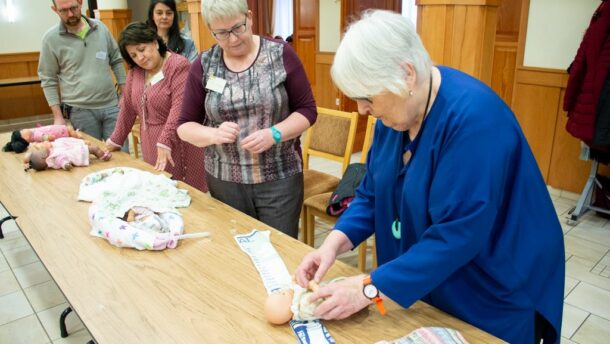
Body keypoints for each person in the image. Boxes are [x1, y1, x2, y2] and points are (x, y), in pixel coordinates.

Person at [294, 10, 565, 344]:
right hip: (438, 276)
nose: (363, 110)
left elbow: (458, 235)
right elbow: (372, 193)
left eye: (367, 98)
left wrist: (368, 288)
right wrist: (334, 243)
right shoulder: (395, 117)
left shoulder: (476, 123)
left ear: (406, 75)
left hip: (494, 284)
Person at [177, 0, 317, 238]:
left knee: (280, 249)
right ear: (211, 31)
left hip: (279, 179)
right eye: (221, 33)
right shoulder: (204, 65)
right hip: (224, 181)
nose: (232, 39)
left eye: (237, 28)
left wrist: (275, 134)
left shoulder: (281, 55)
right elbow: (184, 126)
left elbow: (307, 111)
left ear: (249, 17)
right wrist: (212, 134)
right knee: (236, 252)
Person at [105, 22, 207, 192]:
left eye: (142, 49)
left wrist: (165, 140)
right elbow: (128, 108)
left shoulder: (178, 65)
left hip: (179, 144)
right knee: (158, 193)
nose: (140, 58)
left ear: (155, 42)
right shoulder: (135, 72)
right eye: (133, 55)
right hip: (151, 145)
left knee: (185, 195)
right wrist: (115, 139)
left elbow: (179, 108)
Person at [39, 0, 127, 151]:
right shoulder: (50, 39)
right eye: (64, 11)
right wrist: (58, 116)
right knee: (91, 156)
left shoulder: (101, 28)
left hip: (112, 105)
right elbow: (48, 79)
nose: (70, 14)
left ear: (80, 3)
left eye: (73, 8)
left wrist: (126, 95)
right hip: (80, 111)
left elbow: (117, 60)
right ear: (55, 10)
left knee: (121, 154)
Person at [24, 137, 111, 171]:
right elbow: (62, 160)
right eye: (40, 151)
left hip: (75, 150)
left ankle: (101, 154)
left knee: (93, 150)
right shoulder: (54, 158)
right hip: (77, 153)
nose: (42, 149)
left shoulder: (50, 152)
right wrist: (66, 165)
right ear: (44, 157)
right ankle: (103, 156)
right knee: (95, 149)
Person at [3, 124, 81, 153]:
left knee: (70, 129)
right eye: (22, 131)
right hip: (61, 131)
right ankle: (78, 137)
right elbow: (47, 137)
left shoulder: (33, 134)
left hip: (60, 129)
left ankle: (75, 134)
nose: (23, 129)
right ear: (26, 137)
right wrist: (48, 137)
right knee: (71, 130)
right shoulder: (36, 136)